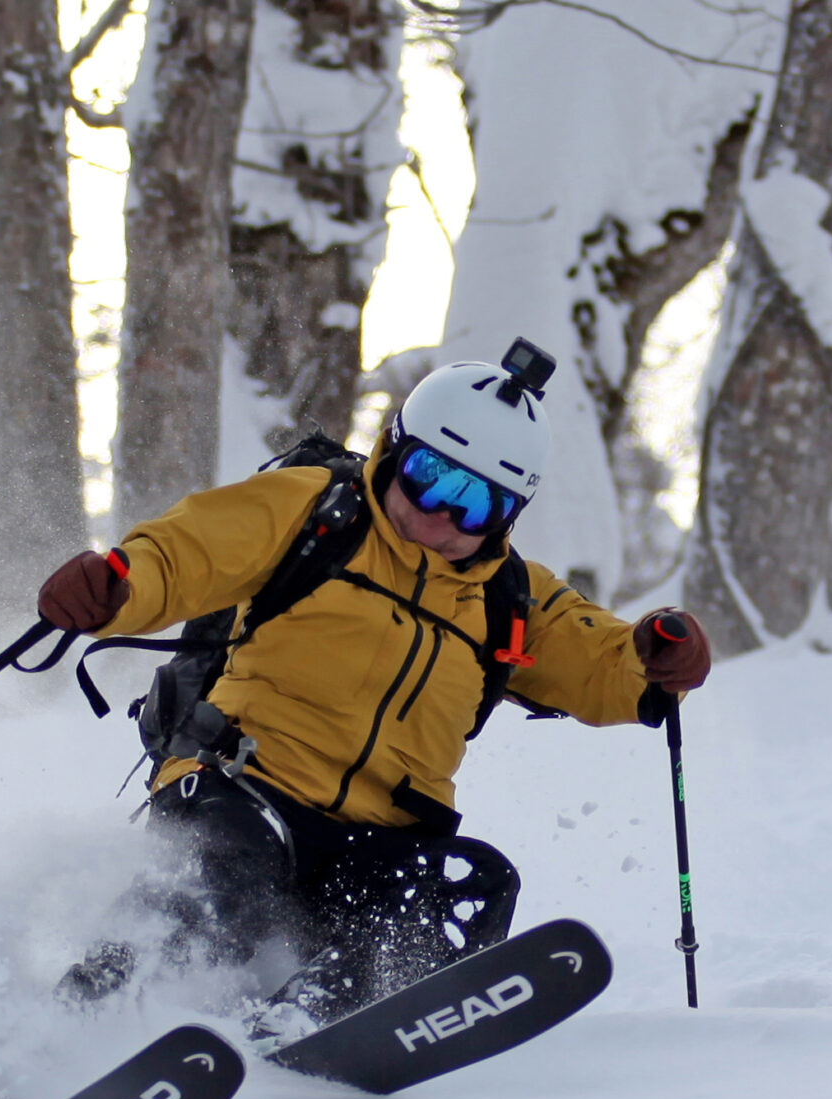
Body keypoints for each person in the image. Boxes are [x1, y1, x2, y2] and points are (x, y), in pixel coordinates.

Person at [37, 343, 710, 1027]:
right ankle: (90, 1012)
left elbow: (599, 662)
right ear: (393, 449)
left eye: (477, 503)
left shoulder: (508, 597)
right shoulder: (315, 515)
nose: (444, 516)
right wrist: (117, 586)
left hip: (384, 837)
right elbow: (194, 549)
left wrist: (654, 658)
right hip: (243, 785)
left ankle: (307, 1026)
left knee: (460, 894)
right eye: (430, 478)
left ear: (507, 516)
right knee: (216, 885)